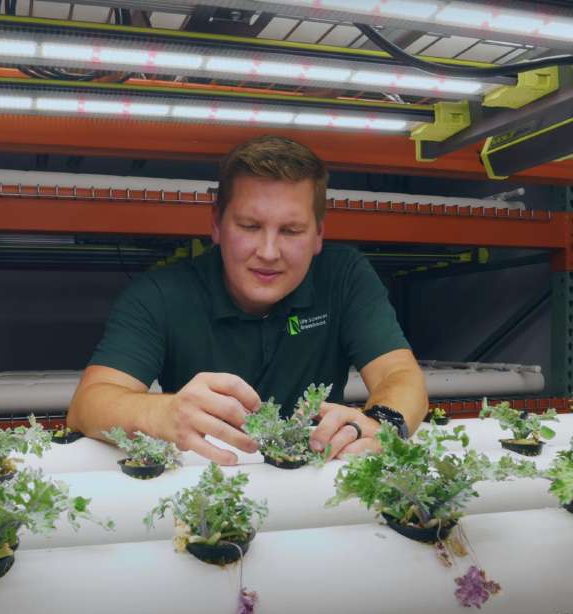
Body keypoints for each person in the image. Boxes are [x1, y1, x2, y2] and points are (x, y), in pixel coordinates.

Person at [67, 135, 427, 465]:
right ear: (217, 225)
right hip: (207, 481)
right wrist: (162, 413)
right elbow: (88, 405)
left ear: (318, 234)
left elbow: (399, 374)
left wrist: (382, 424)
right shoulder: (159, 295)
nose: (269, 252)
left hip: (315, 480)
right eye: (250, 227)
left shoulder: (344, 276)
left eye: (291, 230)